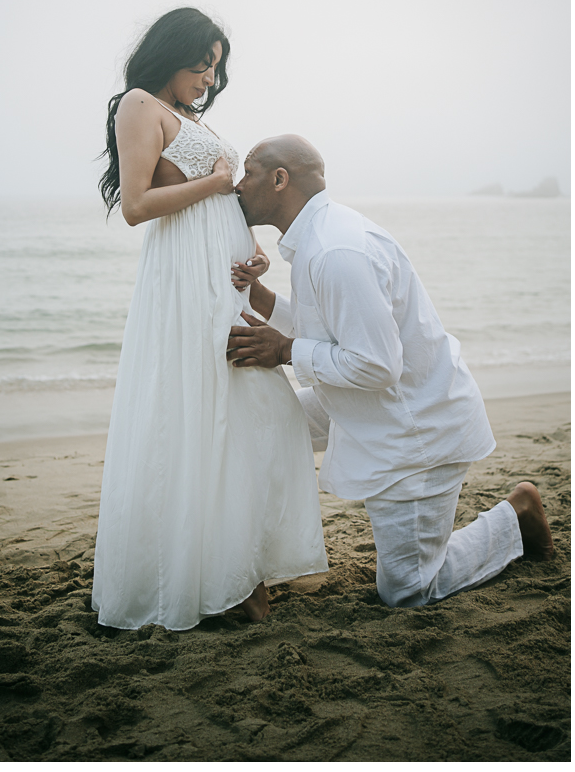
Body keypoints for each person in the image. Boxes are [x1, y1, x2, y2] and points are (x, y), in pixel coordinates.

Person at [227, 135, 554, 609]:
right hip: (365, 402)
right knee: (257, 423)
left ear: (280, 180)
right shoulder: (320, 237)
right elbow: (332, 328)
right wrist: (261, 298)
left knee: (407, 590)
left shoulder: (336, 251)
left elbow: (376, 365)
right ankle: (249, 568)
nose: (238, 185)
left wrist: (284, 351)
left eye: (248, 172)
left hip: (413, 426)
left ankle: (515, 519)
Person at [91, 12, 327, 631]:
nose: (210, 76)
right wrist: (220, 183)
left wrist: (251, 250)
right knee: (202, 410)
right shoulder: (139, 106)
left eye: (217, 66)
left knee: (257, 408)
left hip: (227, 279)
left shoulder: (195, 120)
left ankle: (238, 564)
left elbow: (222, 200)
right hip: (184, 283)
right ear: (172, 54)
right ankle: (217, 576)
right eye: (202, 64)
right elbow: (138, 206)